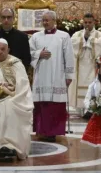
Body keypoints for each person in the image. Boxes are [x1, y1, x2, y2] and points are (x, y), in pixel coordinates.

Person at [29, 10, 74, 142]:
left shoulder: (64, 36)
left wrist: (69, 74)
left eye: (47, 20)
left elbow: (69, 56)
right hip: (41, 75)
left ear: (54, 21)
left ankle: (53, 131)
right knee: (41, 104)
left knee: (55, 105)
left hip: (57, 75)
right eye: (43, 20)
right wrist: (38, 54)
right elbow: (30, 53)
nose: (45, 22)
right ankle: (41, 130)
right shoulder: (35, 37)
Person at [70, 13, 101, 119]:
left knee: (92, 85)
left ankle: (90, 109)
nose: (87, 25)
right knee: (79, 84)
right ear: (83, 22)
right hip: (80, 65)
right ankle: (80, 108)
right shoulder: (77, 34)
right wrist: (84, 39)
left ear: (94, 22)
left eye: (90, 22)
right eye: (85, 22)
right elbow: (73, 43)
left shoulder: (99, 34)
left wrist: (88, 40)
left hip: (92, 65)